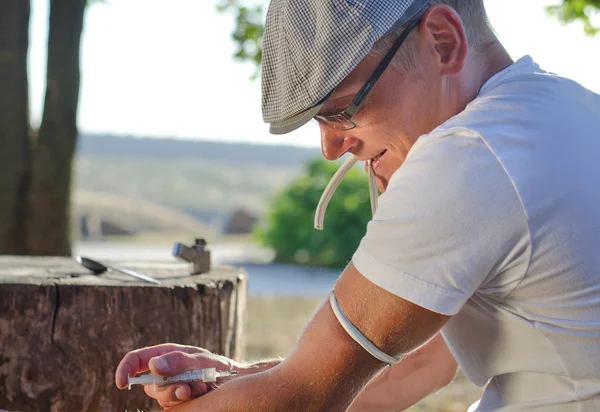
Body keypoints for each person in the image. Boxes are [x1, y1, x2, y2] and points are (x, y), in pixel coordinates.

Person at [115, 0, 600, 410]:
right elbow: (417, 363)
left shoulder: (468, 157)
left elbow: (302, 399)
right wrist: (236, 378)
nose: (330, 147)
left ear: (442, 42)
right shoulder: (567, 109)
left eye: (343, 109)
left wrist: (277, 386)